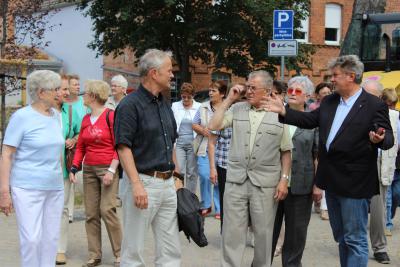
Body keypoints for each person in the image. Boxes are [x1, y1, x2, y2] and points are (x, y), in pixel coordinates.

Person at [264, 55, 394, 267]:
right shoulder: (331, 101)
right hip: (331, 181)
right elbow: (309, 120)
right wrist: (284, 111)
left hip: (355, 183)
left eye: (335, 75)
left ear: (351, 76)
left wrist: (379, 139)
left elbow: (388, 138)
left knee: (355, 239)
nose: (331, 79)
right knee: (342, 237)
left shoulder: (373, 104)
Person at [209, 70, 292, 267]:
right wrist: (229, 99)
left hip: (265, 184)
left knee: (263, 234)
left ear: (268, 90)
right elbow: (213, 125)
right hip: (236, 181)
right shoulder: (237, 109)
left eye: (253, 88)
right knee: (232, 233)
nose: (248, 91)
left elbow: (286, 151)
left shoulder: (279, 113)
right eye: (248, 86)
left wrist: (284, 180)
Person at [114, 49, 181, 266]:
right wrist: (136, 185)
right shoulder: (129, 105)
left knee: (170, 250)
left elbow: (170, 142)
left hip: (167, 184)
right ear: (154, 73)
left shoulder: (164, 103)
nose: (172, 75)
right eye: (169, 70)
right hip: (142, 182)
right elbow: (123, 148)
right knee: (134, 251)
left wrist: (177, 176)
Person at [0, 70, 64, 267]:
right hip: (27, 187)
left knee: (51, 238)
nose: (60, 93)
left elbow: (57, 152)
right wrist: (4, 192)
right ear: (41, 92)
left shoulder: (56, 116)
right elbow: (7, 154)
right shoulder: (22, 117)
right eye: (56, 89)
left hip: (54, 187)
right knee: (31, 239)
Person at [69, 80, 122, 267]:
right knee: (91, 213)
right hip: (89, 169)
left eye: (86, 93)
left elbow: (119, 146)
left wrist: (111, 170)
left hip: (108, 168)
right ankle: (95, 255)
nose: (83, 95)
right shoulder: (85, 119)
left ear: (93, 95)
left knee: (107, 209)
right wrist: (74, 167)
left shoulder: (111, 116)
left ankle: (119, 253)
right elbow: (81, 146)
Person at [271, 76, 319, 267]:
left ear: (307, 96)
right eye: (290, 90)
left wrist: (318, 185)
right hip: (273, 183)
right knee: (268, 231)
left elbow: (318, 155)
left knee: (296, 234)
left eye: (297, 91)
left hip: (301, 185)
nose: (291, 93)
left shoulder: (314, 121)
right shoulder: (275, 115)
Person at [362, 80, 398, 264]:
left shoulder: (392, 115)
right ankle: (355, 244)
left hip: (378, 164)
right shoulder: (354, 110)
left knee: (378, 209)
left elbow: (392, 141)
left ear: (380, 97)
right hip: (354, 165)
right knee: (354, 209)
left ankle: (379, 248)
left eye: (371, 95)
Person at [208, 83, 245, 227]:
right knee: (226, 201)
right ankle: (226, 232)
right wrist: (212, 168)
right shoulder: (224, 114)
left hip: (244, 166)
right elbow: (211, 143)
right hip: (224, 165)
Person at [55, 75, 82, 265]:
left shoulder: (70, 112)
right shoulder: (42, 113)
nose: (66, 93)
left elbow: (81, 132)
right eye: (62, 89)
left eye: (67, 89)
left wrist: (74, 139)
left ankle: (60, 249)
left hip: (63, 168)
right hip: (42, 170)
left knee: (63, 209)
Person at [192, 81, 227, 218]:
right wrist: (203, 130)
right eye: (210, 90)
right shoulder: (203, 107)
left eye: (214, 91)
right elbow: (194, 124)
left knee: (219, 179)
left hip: (222, 149)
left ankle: (219, 208)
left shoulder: (227, 108)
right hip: (204, 148)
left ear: (222, 94)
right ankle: (206, 204)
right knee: (205, 176)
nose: (210, 93)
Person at [64, 74, 88, 223]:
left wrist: (74, 140)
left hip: (80, 147)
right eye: (74, 84)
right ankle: (67, 212)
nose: (78, 87)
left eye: (78, 84)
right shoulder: (61, 105)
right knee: (66, 179)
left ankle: (76, 212)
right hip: (64, 147)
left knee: (76, 179)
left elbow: (86, 127)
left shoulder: (83, 104)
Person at [309, 82, 333, 221]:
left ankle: (324, 206)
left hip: (325, 143)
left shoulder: (335, 106)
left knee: (324, 171)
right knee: (315, 169)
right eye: (323, 93)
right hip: (315, 140)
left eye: (328, 93)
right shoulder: (313, 107)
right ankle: (317, 200)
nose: (326, 95)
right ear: (318, 95)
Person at [172, 82, 201, 193]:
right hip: (178, 143)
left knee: (192, 173)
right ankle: (179, 197)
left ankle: (190, 197)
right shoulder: (175, 106)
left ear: (193, 96)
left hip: (193, 143)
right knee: (179, 171)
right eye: (183, 97)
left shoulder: (198, 107)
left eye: (189, 97)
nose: (186, 99)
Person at [384, 88, 400, 235]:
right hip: (388, 161)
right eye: (389, 105)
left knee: (397, 194)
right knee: (387, 195)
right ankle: (387, 223)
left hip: (398, 163)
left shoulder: (398, 118)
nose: (392, 108)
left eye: (393, 105)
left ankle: (389, 214)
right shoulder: (380, 118)